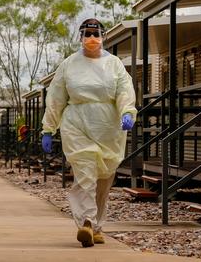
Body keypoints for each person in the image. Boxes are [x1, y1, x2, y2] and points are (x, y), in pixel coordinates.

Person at [41, 18, 136, 247]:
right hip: (77, 125)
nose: (92, 38)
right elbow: (56, 97)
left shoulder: (114, 64)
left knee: (104, 180)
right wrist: (48, 127)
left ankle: (98, 225)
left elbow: (125, 90)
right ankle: (86, 223)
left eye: (96, 34)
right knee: (85, 174)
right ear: (81, 37)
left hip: (108, 128)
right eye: (87, 34)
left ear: (103, 37)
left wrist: (128, 112)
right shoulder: (69, 64)